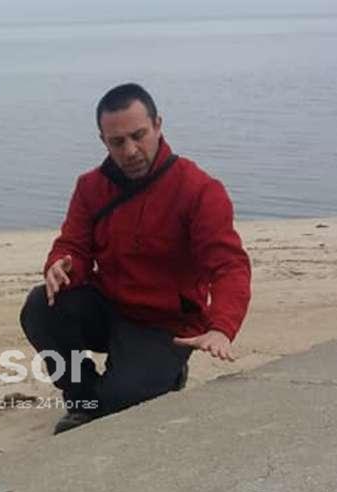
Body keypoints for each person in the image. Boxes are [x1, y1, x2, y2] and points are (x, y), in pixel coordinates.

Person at [20, 83, 252, 434]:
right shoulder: (90, 187)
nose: (130, 151)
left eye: (138, 136)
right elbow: (73, 246)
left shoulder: (199, 190)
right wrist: (61, 264)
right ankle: (82, 400)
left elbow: (229, 265)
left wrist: (221, 327)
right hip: (110, 307)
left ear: (158, 125)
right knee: (41, 306)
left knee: (122, 405)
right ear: (103, 140)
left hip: (166, 325)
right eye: (117, 142)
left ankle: (161, 376)